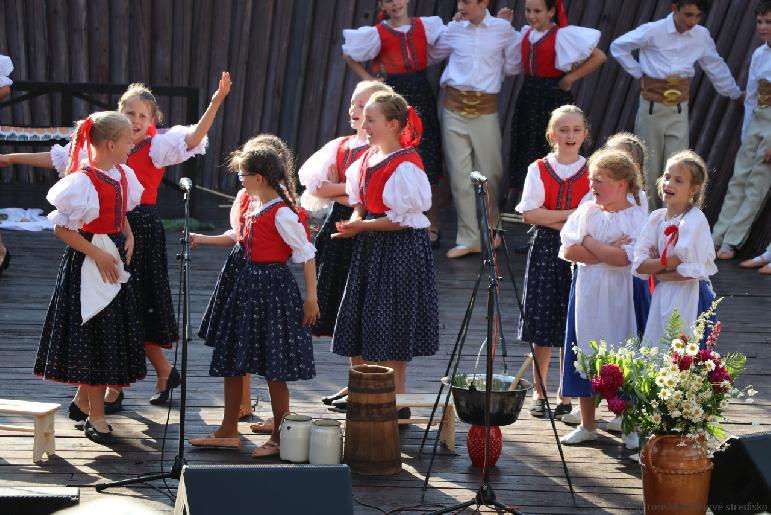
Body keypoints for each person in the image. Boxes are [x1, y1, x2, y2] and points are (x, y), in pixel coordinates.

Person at [0, 74, 232, 410]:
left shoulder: (157, 146)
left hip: (139, 232)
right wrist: (9, 159)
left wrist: (216, 100)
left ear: (153, 122)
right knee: (116, 309)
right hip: (103, 233)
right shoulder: (103, 147)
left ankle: (127, 383)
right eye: (130, 113)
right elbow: (61, 158)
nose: (136, 121)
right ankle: (127, 383)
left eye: (143, 116)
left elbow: (195, 136)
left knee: (132, 307)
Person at [189, 138, 318, 458]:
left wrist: (311, 298)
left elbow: (306, 254)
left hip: (273, 291)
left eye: (243, 176)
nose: (241, 181)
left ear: (259, 177)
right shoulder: (254, 205)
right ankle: (228, 430)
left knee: (275, 367)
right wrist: (204, 239)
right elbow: (240, 237)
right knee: (233, 359)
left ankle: (279, 436)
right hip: (246, 288)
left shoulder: (282, 214)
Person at [33, 111, 146, 445]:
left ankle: (84, 401)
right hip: (89, 263)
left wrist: (129, 234)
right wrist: (96, 254)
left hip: (111, 258)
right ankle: (96, 415)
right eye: (128, 141)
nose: (131, 146)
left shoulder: (122, 174)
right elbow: (61, 228)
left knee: (106, 334)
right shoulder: (83, 181)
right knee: (95, 334)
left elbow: (121, 212)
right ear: (111, 144)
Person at [331, 91, 438, 415]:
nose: (365, 126)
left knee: (393, 322)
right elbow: (359, 200)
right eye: (364, 119)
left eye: (371, 120)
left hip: (399, 252)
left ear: (393, 124)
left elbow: (405, 220)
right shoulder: (367, 158)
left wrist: (363, 227)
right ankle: (361, 392)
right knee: (362, 318)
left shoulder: (406, 165)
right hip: (370, 248)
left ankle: (396, 401)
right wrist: (356, 219)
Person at [298, 80, 394, 410]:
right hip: (342, 226)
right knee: (345, 307)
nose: (357, 111)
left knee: (366, 307)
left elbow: (369, 193)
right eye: (354, 104)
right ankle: (354, 379)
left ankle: (368, 382)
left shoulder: (386, 152)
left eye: (365, 106)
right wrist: (347, 191)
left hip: (368, 231)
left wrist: (348, 191)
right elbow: (316, 186)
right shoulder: (342, 146)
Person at [610, 0, 742, 211]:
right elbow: (618, 46)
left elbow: (714, 65)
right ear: (675, 9)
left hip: (679, 109)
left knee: (680, 165)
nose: (692, 21)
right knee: (648, 167)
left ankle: (673, 220)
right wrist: (638, 73)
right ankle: (648, 219)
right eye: (688, 14)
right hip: (652, 106)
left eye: (697, 16)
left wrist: (735, 93)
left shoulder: (701, 36)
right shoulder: (654, 30)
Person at [558, 149, 647, 446]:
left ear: (621, 185)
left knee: (624, 350)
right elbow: (568, 250)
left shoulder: (635, 217)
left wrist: (588, 241)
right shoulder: (587, 211)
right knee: (585, 349)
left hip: (619, 294)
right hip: (588, 292)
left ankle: (630, 427)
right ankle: (588, 424)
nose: (592, 186)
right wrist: (601, 247)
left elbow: (624, 259)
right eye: (591, 179)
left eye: (599, 180)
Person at [342, 0, 445, 245]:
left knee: (427, 156)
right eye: (388, 0)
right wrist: (370, 79)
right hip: (392, 95)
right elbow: (348, 54)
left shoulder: (425, 27)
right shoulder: (377, 33)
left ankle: (432, 222)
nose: (395, 3)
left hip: (421, 92)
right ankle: (389, 213)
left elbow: (438, 50)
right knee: (391, 152)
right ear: (382, 5)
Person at [429, 0, 522, 258]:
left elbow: (514, 65)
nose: (461, 5)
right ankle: (468, 238)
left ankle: (492, 230)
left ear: (484, 3)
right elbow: (432, 55)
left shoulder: (502, 29)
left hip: (485, 110)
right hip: (454, 108)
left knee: (490, 172)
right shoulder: (454, 29)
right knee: (460, 177)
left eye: (467, 1)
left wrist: (509, 37)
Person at [515, 104, 590, 419]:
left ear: (585, 134)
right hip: (546, 248)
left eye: (575, 129)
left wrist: (553, 218)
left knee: (571, 319)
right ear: (552, 134)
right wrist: (570, 217)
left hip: (580, 250)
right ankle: (540, 389)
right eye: (563, 129)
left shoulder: (592, 169)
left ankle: (565, 390)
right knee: (541, 318)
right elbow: (529, 214)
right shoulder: (539, 169)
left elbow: (591, 216)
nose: (570, 135)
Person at [504, 0, 605, 202]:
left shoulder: (562, 35)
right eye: (528, 10)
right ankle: (531, 197)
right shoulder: (525, 34)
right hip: (529, 95)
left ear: (551, 12)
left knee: (552, 143)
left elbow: (599, 56)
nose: (532, 16)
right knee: (526, 142)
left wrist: (570, 78)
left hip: (552, 97)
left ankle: (558, 197)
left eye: (537, 11)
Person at [633, 150, 717, 347]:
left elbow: (690, 272)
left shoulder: (694, 220)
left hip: (689, 296)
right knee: (657, 350)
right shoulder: (656, 218)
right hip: (662, 294)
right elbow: (639, 264)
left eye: (679, 180)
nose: (669, 184)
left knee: (683, 353)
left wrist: (658, 271)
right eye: (667, 177)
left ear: (693, 189)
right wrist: (665, 265)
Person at [712, 0, 771, 260]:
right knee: (739, 179)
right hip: (758, 117)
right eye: (760, 21)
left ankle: (732, 241)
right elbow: (751, 97)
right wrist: (746, 130)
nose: (763, 27)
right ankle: (718, 235)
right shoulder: (760, 54)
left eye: (769, 22)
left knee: (757, 183)